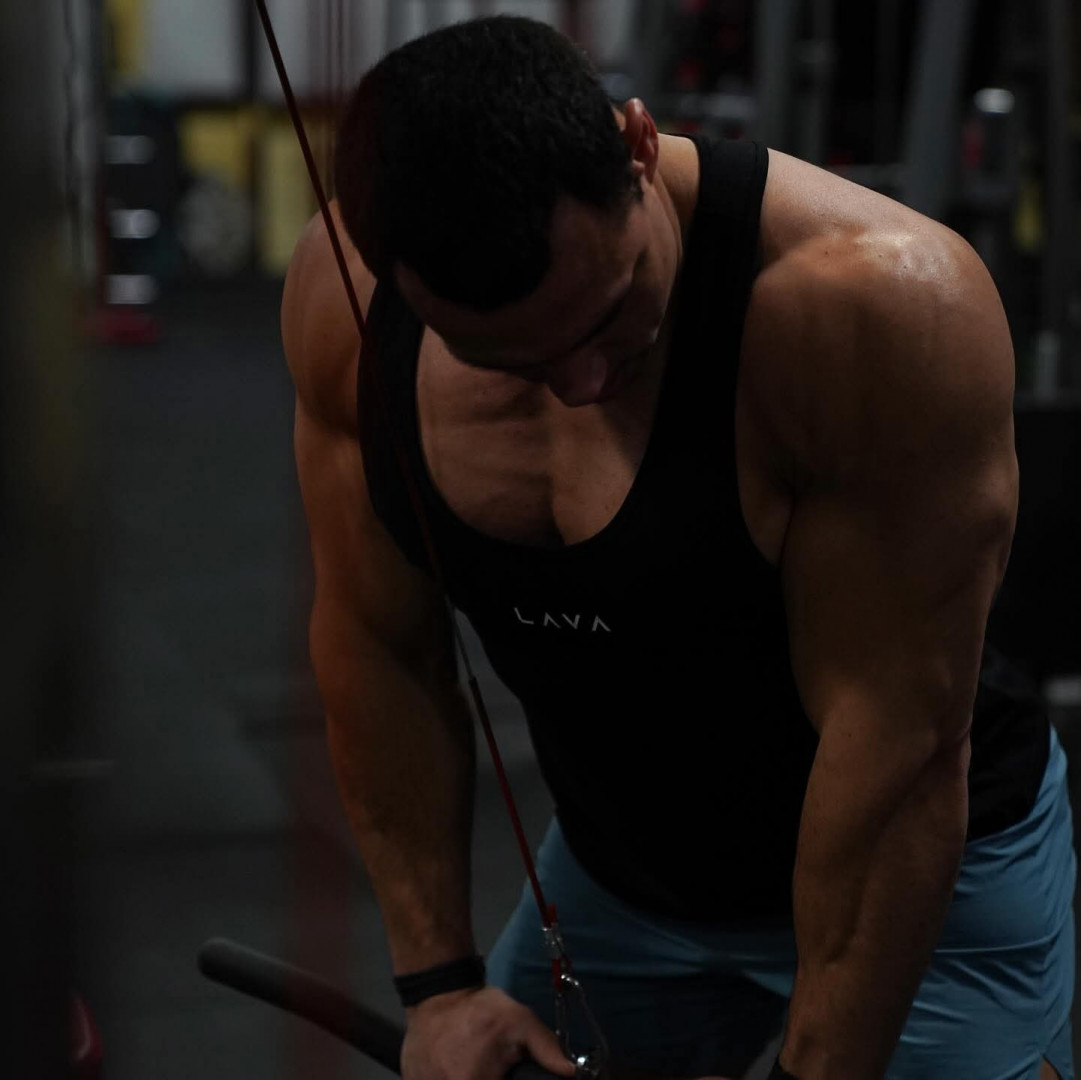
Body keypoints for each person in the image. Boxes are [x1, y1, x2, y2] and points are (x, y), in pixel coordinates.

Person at [281, 15, 1075, 1080]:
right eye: (507, 360)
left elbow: (899, 746)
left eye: (610, 317)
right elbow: (379, 648)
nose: (580, 386)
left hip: (925, 883)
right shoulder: (345, 308)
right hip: (618, 889)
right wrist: (442, 987)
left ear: (640, 145)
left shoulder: (874, 310)